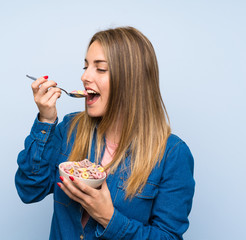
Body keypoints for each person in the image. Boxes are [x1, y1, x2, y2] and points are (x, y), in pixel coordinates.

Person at [15, 26, 195, 240]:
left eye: (100, 69)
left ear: (131, 80)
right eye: (85, 66)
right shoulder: (70, 128)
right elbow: (29, 190)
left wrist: (109, 218)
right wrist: (46, 119)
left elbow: (169, 237)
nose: (84, 76)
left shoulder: (172, 155)